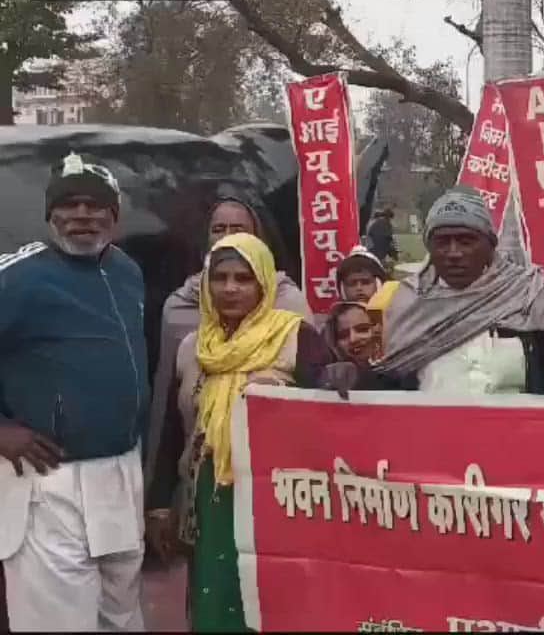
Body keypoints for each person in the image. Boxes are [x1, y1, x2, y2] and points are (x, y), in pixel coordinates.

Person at [143, 233, 339, 632]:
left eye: (243, 278)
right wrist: (160, 505)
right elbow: (173, 430)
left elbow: (330, 415)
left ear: (264, 284)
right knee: (216, 598)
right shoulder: (194, 347)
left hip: (278, 496)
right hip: (209, 495)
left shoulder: (295, 337)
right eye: (220, 278)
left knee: (274, 602)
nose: (230, 288)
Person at [0, 154, 149, 630]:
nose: (82, 215)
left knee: (120, 616)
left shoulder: (127, 271)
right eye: (68, 204)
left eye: (95, 205)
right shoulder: (17, 276)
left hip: (121, 476)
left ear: (114, 215)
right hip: (49, 482)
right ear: (50, 215)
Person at [145, 195, 312, 488]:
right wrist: (160, 495)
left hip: (277, 485)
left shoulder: (293, 324)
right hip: (202, 484)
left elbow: (323, 404)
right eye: (218, 229)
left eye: (238, 229)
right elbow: (169, 417)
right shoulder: (186, 327)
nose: (230, 288)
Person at [374, 187, 544, 395]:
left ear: (490, 245)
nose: (454, 253)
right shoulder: (409, 303)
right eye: (442, 242)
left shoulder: (528, 293)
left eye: (466, 241)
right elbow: (391, 381)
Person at [336, 245, 401, 311]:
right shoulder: (335, 316)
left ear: (379, 283)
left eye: (365, 282)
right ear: (342, 288)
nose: (359, 288)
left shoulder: (396, 313)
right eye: (352, 284)